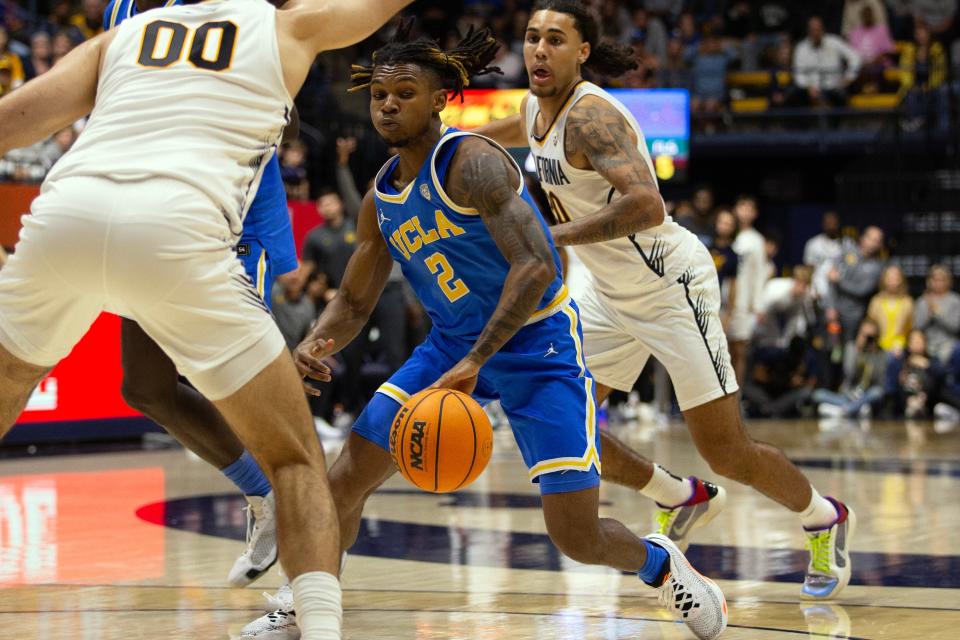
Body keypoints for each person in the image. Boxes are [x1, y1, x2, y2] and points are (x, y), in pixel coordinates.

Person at [245, 23, 728, 640]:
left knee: (575, 535)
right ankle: (305, 603)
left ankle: (663, 565)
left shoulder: (474, 163)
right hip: (449, 345)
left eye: (405, 94)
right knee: (345, 478)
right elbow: (355, 299)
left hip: (536, 344)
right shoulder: (381, 196)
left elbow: (538, 267)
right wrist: (313, 343)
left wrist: (478, 357)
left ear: (440, 98)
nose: (388, 105)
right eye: (379, 96)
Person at [0, 2, 415, 639]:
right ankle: (318, 623)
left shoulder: (125, 32)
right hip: (179, 227)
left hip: (66, 216)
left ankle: (260, 505)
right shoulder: (285, 24)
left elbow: (13, 121)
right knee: (297, 462)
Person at [477, 0, 855, 601]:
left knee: (726, 450)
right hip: (606, 293)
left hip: (670, 285)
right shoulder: (533, 108)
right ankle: (678, 496)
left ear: (582, 53)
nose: (539, 49)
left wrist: (554, 237)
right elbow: (503, 129)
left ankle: (823, 515)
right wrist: (446, 135)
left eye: (555, 39)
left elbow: (647, 204)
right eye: (531, 38)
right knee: (570, 424)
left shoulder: (591, 118)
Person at [102, 0, 300, 589]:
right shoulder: (123, 9)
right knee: (145, 384)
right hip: (149, 212)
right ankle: (265, 495)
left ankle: (308, 576)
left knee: (246, 394)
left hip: (228, 214)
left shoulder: (247, 12)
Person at [813, 318, 888, 419]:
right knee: (818, 394)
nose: (867, 339)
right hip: (847, 394)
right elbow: (848, 372)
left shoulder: (881, 354)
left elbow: (878, 380)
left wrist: (872, 354)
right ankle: (854, 408)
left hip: (866, 394)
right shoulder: (850, 348)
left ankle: (846, 409)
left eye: (871, 337)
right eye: (864, 335)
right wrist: (858, 350)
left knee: (877, 392)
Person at [730, 195, 768, 385]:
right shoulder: (728, 234)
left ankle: (737, 396)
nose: (744, 211)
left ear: (755, 213)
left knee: (739, 350)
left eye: (749, 207)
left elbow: (760, 273)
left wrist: (758, 304)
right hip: (723, 300)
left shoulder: (757, 240)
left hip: (743, 303)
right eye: (741, 205)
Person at [826, 225, 885, 344]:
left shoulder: (877, 267)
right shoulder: (847, 252)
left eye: (877, 241)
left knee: (850, 349)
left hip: (855, 316)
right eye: (871, 238)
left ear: (880, 245)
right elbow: (831, 279)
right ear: (863, 238)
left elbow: (861, 291)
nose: (873, 243)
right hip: (834, 312)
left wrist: (839, 280)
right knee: (831, 348)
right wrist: (830, 306)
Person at [790, 16, 861, 107]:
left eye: (818, 29)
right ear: (808, 31)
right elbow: (798, 73)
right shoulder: (801, 48)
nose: (815, 33)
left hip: (834, 88)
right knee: (794, 96)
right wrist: (808, 87)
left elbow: (855, 57)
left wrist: (849, 77)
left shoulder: (834, 42)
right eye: (813, 30)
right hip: (810, 90)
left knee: (842, 96)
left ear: (823, 29)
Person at [803, 211, 855, 303]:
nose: (831, 226)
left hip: (842, 293)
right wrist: (811, 290)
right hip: (819, 291)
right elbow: (808, 270)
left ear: (838, 224)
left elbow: (853, 268)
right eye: (828, 223)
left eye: (833, 223)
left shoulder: (848, 244)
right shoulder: (813, 243)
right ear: (823, 224)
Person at [914, 264, 960, 364]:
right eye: (935, 280)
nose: (939, 283)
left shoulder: (955, 300)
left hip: (949, 345)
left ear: (948, 281)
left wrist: (938, 314)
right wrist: (929, 314)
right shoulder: (922, 301)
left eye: (942, 280)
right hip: (926, 346)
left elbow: (955, 327)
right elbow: (917, 327)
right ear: (929, 281)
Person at [866, 264, 913, 353]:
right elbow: (870, 325)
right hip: (879, 346)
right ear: (884, 279)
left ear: (901, 280)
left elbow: (910, 328)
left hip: (900, 347)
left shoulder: (907, 302)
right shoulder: (876, 301)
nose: (892, 281)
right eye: (889, 277)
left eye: (896, 277)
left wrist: (900, 343)